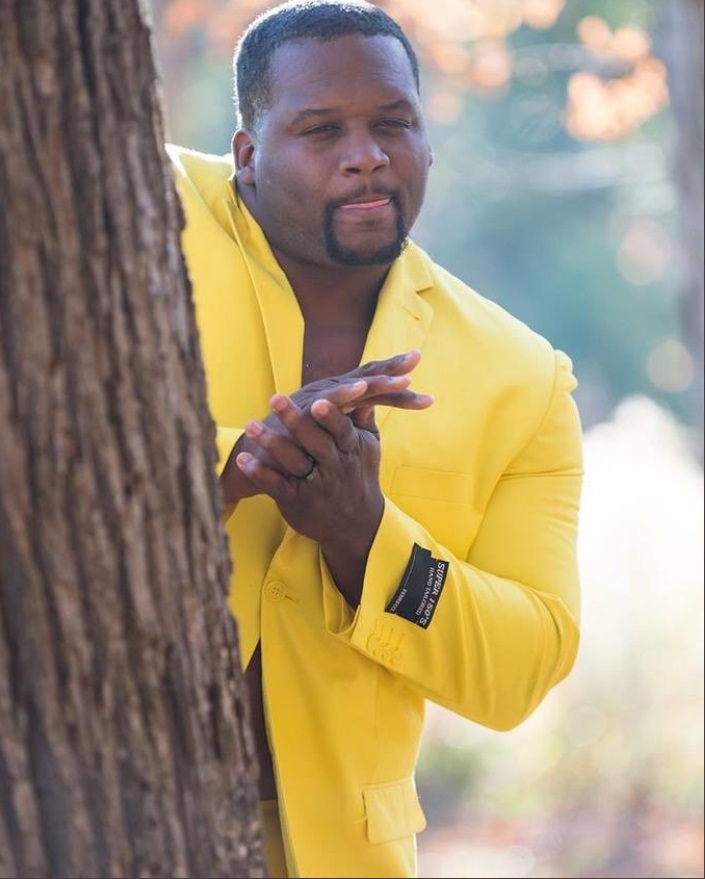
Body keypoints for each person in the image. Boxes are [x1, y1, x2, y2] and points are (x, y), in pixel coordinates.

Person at [167, 1, 584, 876]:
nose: (366, 154)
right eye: (320, 130)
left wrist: (367, 539)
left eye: (393, 123)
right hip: (72, 813)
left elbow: (524, 661)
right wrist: (238, 462)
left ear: (427, 140)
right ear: (246, 153)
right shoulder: (137, 206)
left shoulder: (520, 375)